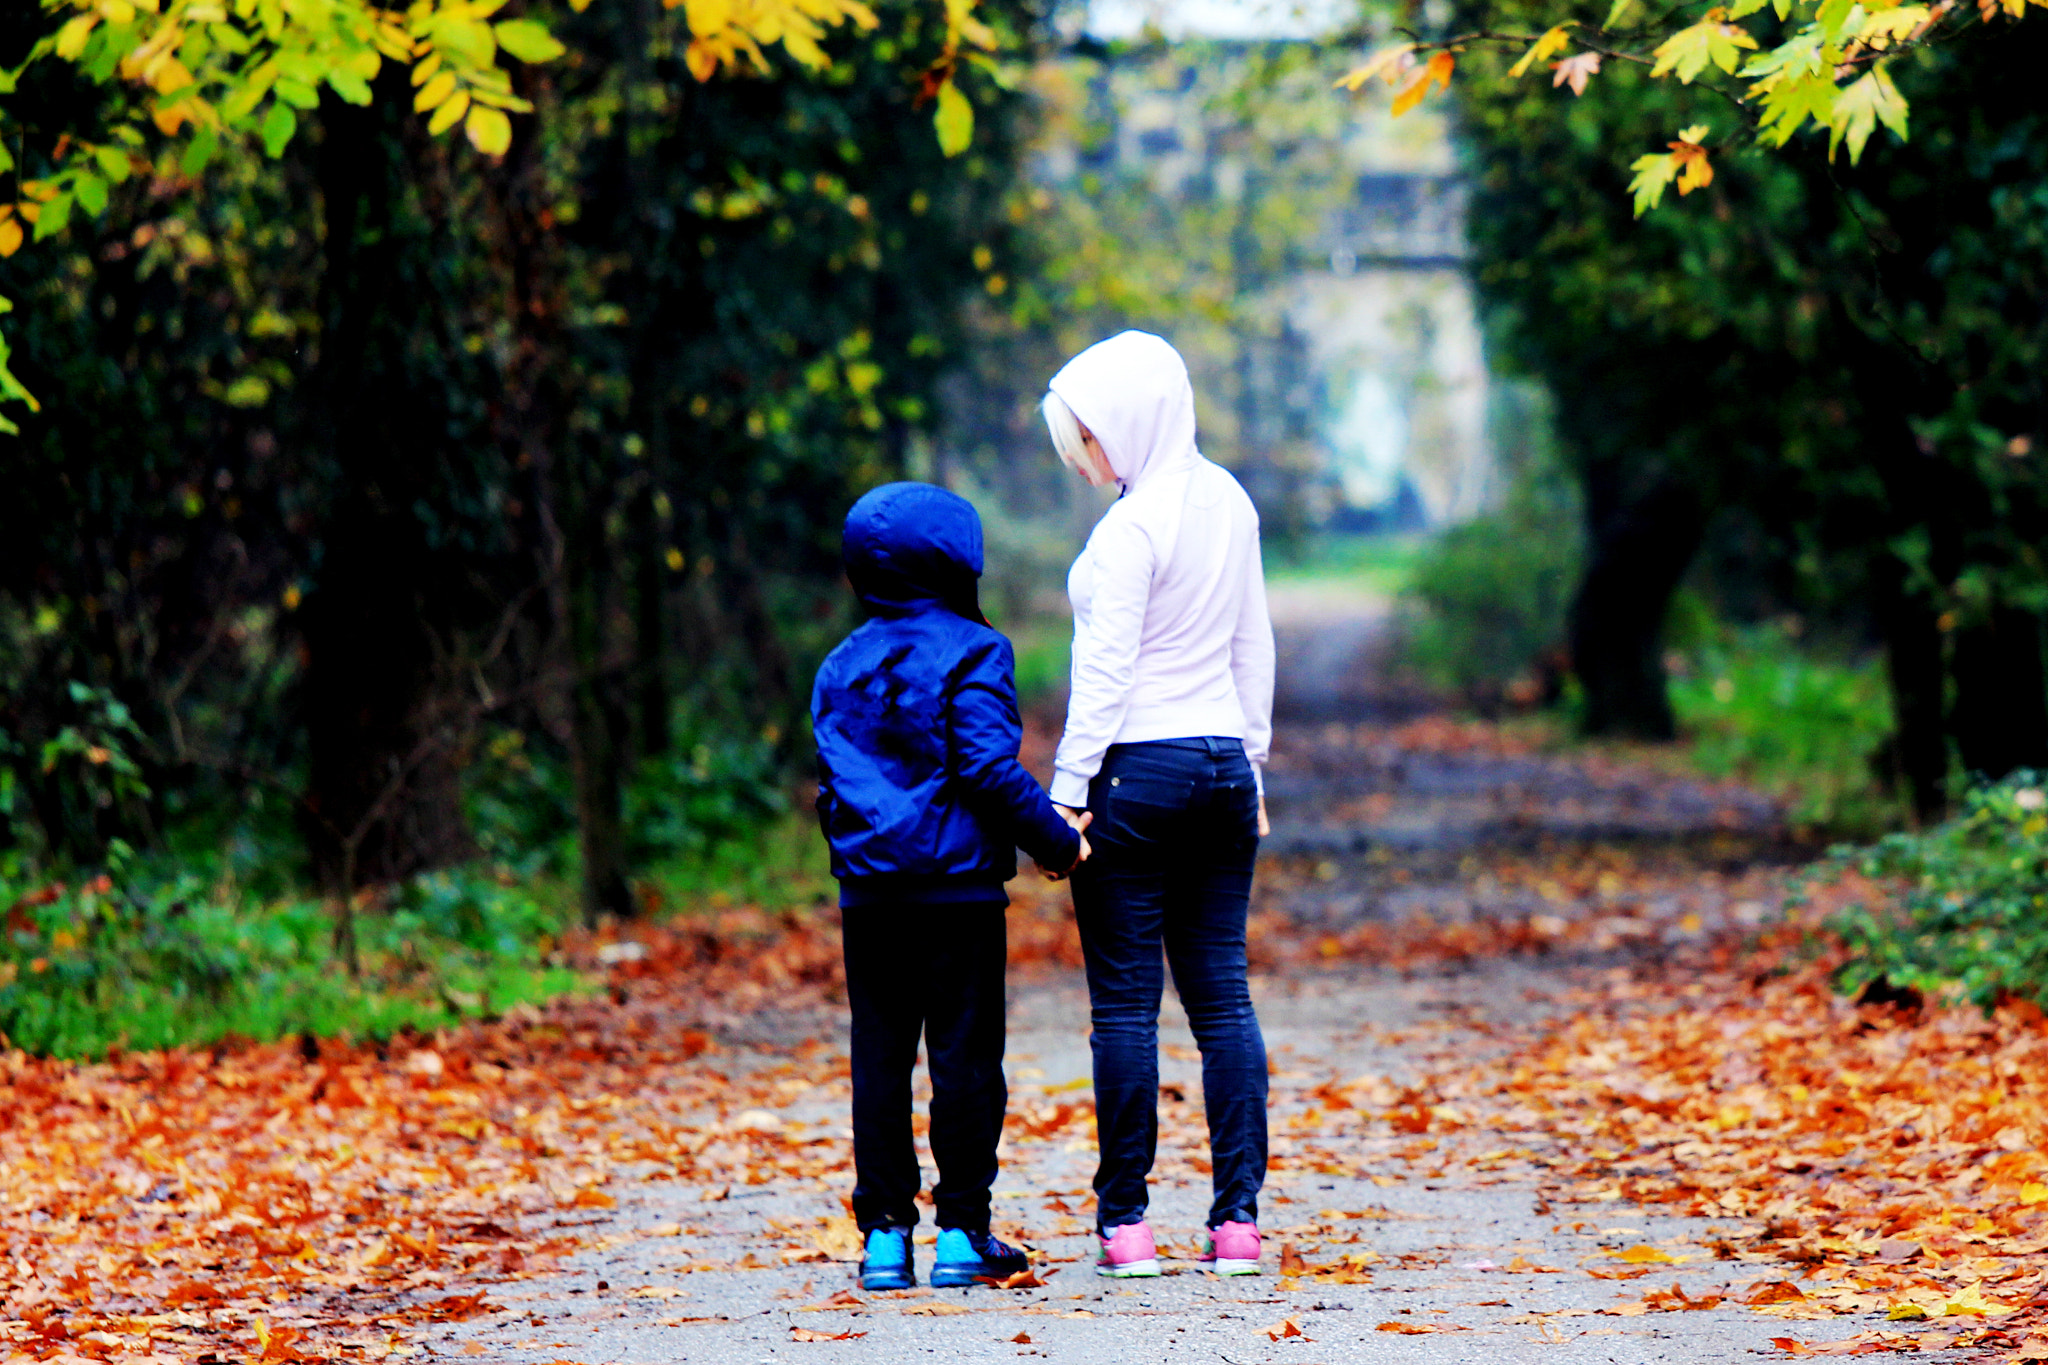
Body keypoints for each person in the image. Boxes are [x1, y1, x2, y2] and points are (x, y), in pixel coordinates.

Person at [811, 481, 1090, 1292]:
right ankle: (964, 1232)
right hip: (956, 892)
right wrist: (1060, 842)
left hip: (869, 892)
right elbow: (987, 769)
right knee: (965, 1057)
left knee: (881, 1055)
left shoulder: (838, 663)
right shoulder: (975, 648)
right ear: (958, 558)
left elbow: (835, 779)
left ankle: (885, 1241)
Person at [1040, 331, 1275, 1279]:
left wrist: (1063, 797)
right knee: (1223, 997)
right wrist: (1252, 765)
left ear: (1132, 421)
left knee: (1127, 1009)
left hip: (1135, 771)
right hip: (1220, 766)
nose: (1088, 462)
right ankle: (1238, 1227)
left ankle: (1127, 1227)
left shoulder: (1133, 529)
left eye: (1091, 441)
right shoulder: (1231, 501)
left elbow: (1105, 674)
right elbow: (1253, 644)